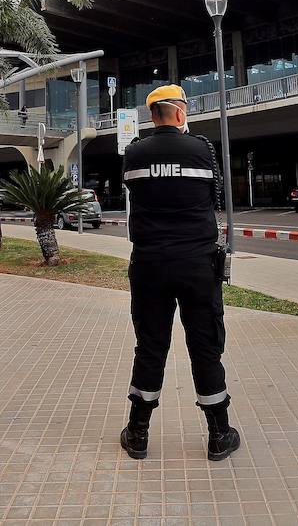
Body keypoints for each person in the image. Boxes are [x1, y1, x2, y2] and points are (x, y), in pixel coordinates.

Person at [117, 84, 240, 462]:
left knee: (150, 345)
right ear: (181, 114)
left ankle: (138, 434)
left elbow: (136, 193)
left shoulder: (134, 152)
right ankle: (219, 434)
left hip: (150, 262)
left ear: (152, 116)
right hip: (196, 263)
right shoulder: (202, 149)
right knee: (205, 345)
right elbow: (212, 196)